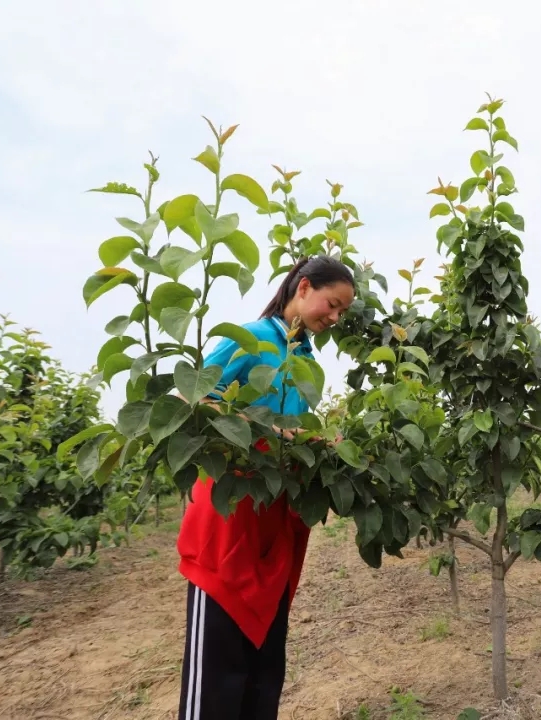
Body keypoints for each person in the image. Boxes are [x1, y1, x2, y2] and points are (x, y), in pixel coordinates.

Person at [176, 256, 356, 720]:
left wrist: (318, 447)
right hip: (228, 527)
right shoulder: (251, 339)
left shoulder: (306, 362)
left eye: (342, 313)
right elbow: (187, 401)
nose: (334, 318)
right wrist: (267, 433)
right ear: (303, 288)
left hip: (272, 536)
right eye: (331, 304)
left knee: (262, 679)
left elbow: (293, 439)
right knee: (216, 682)